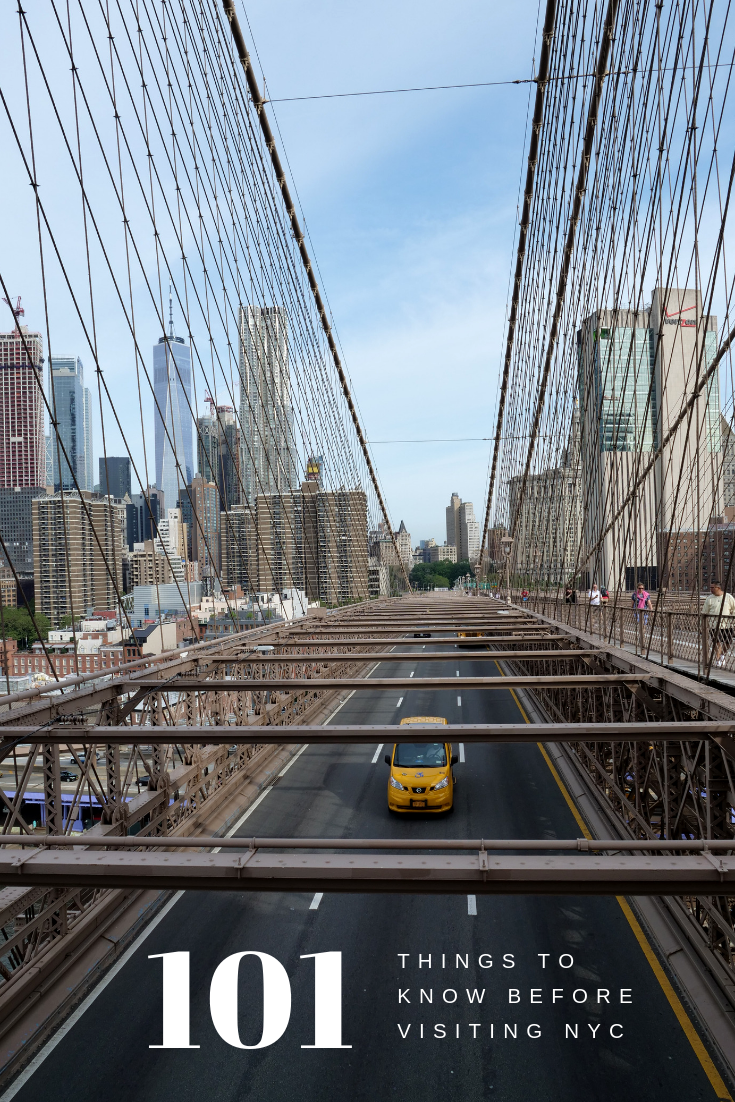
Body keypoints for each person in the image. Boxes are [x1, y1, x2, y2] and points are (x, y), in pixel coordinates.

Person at [702, 580, 735, 667]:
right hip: (714, 624)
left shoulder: (728, 597)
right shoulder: (709, 599)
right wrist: (703, 624)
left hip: (727, 624)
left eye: (712, 587)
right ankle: (717, 659)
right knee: (717, 642)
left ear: (718, 588)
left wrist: (733, 619)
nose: (711, 589)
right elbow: (704, 612)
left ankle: (722, 655)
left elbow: (734, 608)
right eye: (710, 587)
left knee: (728, 642)